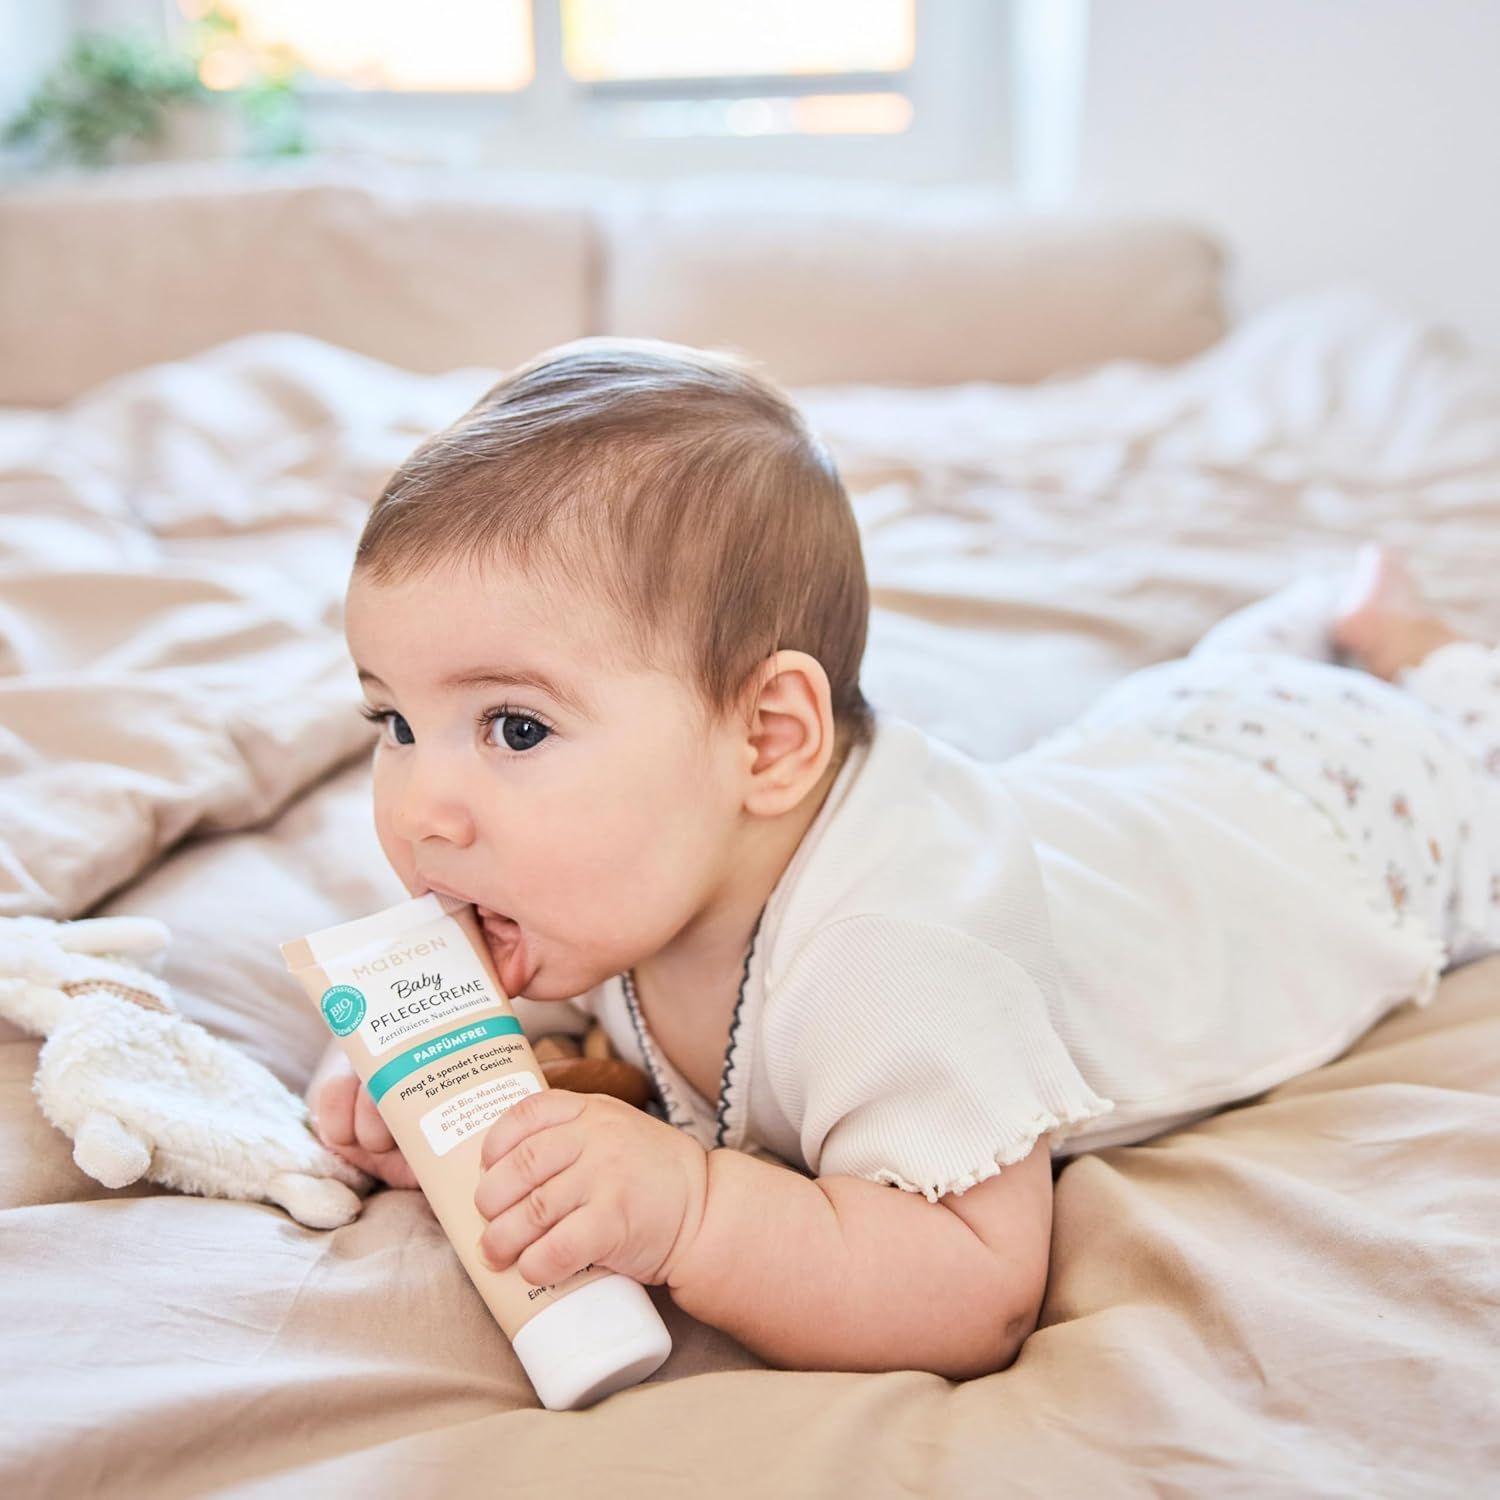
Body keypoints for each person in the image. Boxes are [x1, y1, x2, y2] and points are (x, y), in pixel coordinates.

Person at [305, 337, 1500, 1381]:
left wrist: (692, 1211)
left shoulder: (899, 959)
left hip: (1318, 822)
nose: (424, 809)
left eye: (515, 729)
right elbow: (607, 1053)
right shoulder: (609, 873)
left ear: (768, 741)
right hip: (1121, 779)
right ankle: (1306, 633)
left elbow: (973, 1288)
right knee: (1185, 709)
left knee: (1446, 751)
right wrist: (447, 1083)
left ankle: (1414, 646)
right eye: (394, 725)